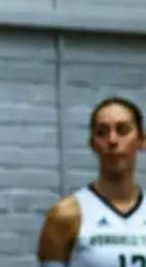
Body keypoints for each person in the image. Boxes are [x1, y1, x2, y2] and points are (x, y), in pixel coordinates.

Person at [37, 97, 146, 267]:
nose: (112, 140)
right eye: (102, 132)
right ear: (92, 143)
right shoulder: (66, 215)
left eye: (122, 130)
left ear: (141, 140)